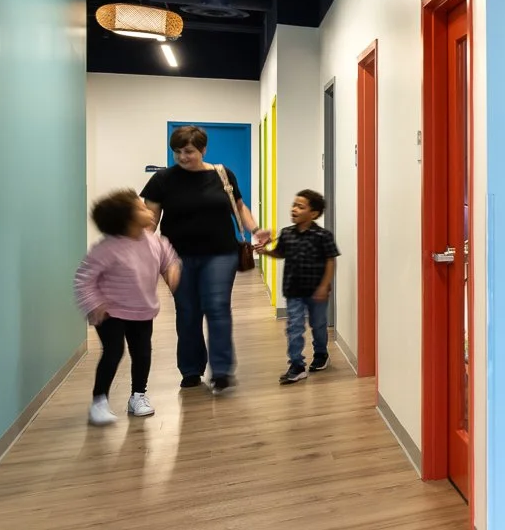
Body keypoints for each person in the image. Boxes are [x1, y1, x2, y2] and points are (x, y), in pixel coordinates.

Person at [141, 126, 267, 392]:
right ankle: (190, 369)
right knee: (187, 312)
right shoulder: (162, 180)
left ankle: (221, 371)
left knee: (217, 307)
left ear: (203, 149)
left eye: (189, 151)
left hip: (221, 253)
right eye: (177, 152)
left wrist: (256, 229)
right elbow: (149, 221)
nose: (183, 157)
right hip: (177, 258)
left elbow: (240, 206)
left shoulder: (222, 174)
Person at [74, 190, 182, 426]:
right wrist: (95, 304)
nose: (149, 210)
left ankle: (138, 396)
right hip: (111, 311)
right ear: (127, 219)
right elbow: (84, 278)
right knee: (113, 352)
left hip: (142, 309)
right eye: (141, 208)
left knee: (142, 353)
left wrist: (171, 272)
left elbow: (168, 258)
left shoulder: (154, 240)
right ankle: (99, 401)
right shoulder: (107, 248)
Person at [257, 188, 340, 384]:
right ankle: (297, 365)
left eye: (300, 207)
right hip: (293, 290)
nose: (294, 209)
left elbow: (330, 261)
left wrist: (324, 286)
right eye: (294, 205)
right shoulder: (287, 233)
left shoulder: (323, 236)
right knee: (294, 327)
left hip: (316, 291)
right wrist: (266, 251)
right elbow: (280, 253)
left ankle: (321, 354)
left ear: (313, 214)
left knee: (318, 325)